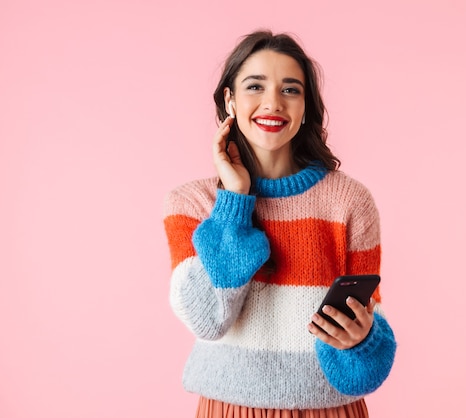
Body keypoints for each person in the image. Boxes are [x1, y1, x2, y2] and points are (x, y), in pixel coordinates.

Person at [163, 30, 396, 418]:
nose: (273, 103)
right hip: (228, 409)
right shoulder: (191, 204)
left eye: (291, 90)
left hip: (329, 410)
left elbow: (370, 351)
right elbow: (208, 320)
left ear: (306, 106)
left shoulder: (350, 202)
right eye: (255, 86)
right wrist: (234, 202)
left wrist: (363, 340)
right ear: (229, 100)